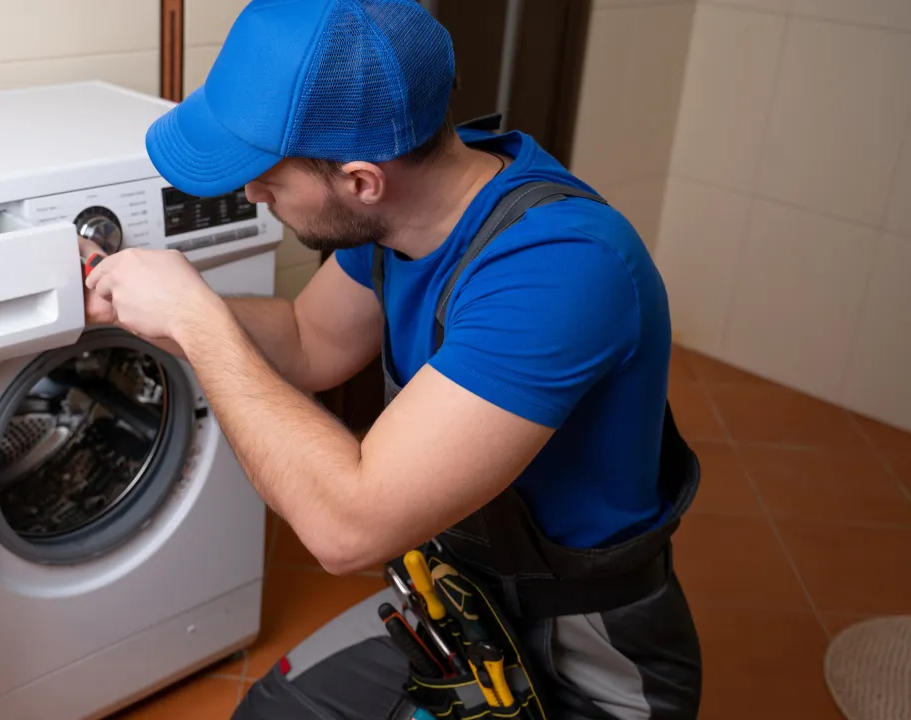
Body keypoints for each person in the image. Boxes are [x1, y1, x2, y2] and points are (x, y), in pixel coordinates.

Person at [81, 0, 702, 718]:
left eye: (269, 177)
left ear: (360, 179)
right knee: (274, 712)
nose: (252, 192)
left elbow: (347, 528)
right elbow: (310, 342)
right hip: (458, 601)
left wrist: (197, 323)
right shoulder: (406, 215)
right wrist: (149, 307)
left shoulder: (562, 268)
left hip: (586, 650)